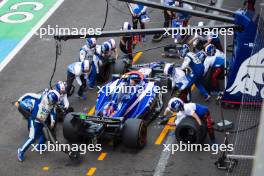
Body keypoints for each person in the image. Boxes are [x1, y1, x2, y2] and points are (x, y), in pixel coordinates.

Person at [17, 90, 60, 162]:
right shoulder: (40, 97)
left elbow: (53, 113)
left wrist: (52, 121)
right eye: (53, 102)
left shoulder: (52, 104)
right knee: (32, 138)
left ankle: (40, 146)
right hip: (34, 121)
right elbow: (28, 94)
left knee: (45, 134)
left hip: (43, 122)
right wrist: (19, 101)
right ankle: (21, 151)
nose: (53, 103)